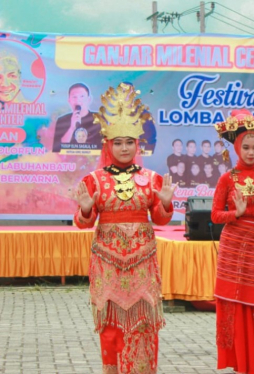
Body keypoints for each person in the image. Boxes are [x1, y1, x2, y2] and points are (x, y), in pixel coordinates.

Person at [73, 82, 175, 373]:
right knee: (111, 327)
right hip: (107, 265)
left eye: (129, 142)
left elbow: (160, 218)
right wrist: (84, 209)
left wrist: (165, 204)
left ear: (137, 144)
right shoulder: (93, 180)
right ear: (108, 144)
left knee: (143, 325)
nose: (124, 148)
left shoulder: (153, 178)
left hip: (142, 264)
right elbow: (84, 223)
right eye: (117, 142)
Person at [211, 109, 254, 374]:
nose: (251, 152)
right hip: (232, 245)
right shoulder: (226, 178)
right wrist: (236, 213)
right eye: (246, 147)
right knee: (237, 304)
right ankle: (240, 361)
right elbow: (216, 215)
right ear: (236, 148)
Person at [53, 83, 100, 152]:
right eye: (74, 97)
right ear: (69, 100)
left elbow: (103, 147)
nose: (78, 100)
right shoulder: (61, 121)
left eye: (82, 96)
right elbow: (58, 149)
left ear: (89, 99)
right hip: (69, 161)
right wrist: (72, 128)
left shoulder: (99, 119)